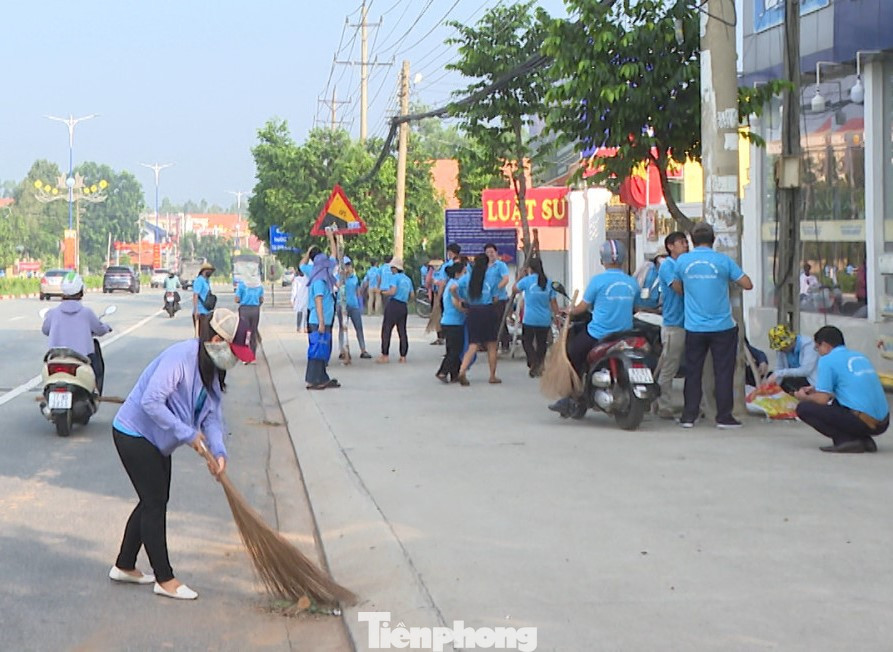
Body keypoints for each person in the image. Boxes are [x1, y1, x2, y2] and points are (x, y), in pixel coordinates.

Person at [109, 308, 252, 600]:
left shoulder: (213, 368)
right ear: (216, 339)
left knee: (153, 500)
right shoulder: (180, 358)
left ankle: (124, 565)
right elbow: (151, 401)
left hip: (159, 442)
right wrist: (187, 433)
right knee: (155, 502)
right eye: (234, 352)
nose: (235, 360)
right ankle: (165, 578)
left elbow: (212, 416)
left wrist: (219, 451)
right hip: (134, 433)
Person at [671, 223, 753, 429]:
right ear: (713, 239)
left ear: (691, 240)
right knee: (723, 372)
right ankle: (724, 417)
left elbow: (678, 287)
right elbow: (747, 284)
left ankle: (689, 416)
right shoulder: (723, 261)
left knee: (693, 371)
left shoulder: (682, 261)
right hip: (723, 326)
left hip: (694, 327)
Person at [549, 240, 639, 416]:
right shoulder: (632, 283)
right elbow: (636, 306)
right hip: (625, 334)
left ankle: (570, 397)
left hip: (599, 334)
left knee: (572, 354)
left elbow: (582, 308)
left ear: (602, 260)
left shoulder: (597, 281)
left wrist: (569, 311)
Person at [794, 326, 889, 453]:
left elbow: (822, 399)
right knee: (836, 403)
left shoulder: (827, 360)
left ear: (826, 345)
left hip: (863, 421)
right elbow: (851, 387)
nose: (818, 352)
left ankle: (846, 440)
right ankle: (864, 439)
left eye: (818, 348)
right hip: (882, 422)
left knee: (804, 408)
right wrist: (817, 389)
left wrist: (804, 397)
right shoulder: (860, 357)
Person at [41, 272, 112, 393]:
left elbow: (45, 330)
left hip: (57, 357)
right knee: (97, 366)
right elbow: (99, 330)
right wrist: (107, 327)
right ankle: (95, 391)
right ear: (81, 291)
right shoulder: (86, 313)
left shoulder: (54, 313)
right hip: (82, 358)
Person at [654, 232, 689, 418]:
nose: (685, 245)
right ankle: (663, 405)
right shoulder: (667, 266)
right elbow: (678, 288)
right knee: (669, 366)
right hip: (673, 323)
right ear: (670, 246)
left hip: (689, 323)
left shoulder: (685, 264)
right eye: (681, 242)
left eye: (686, 242)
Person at [455, 254, 500, 386]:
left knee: (473, 344)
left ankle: (462, 370)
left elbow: (452, 288)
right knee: (492, 345)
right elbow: (496, 299)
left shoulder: (467, 278)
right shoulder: (490, 280)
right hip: (487, 311)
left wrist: (459, 299)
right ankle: (492, 376)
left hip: (473, 312)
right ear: (486, 265)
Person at [513, 257, 558, 378]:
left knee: (526, 341)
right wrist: (557, 316)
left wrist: (519, 277)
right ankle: (538, 365)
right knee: (542, 343)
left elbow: (514, 289)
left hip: (530, 318)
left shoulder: (527, 281)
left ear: (530, 268)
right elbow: (553, 302)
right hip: (544, 319)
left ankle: (533, 362)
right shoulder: (548, 282)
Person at [305, 252, 339, 390]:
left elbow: (333, 256)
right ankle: (313, 380)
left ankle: (322, 377)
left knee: (323, 350)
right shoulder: (319, 281)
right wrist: (321, 322)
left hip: (326, 320)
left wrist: (331, 237)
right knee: (317, 351)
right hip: (319, 321)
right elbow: (318, 301)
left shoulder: (326, 279)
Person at [435, 260, 467, 383]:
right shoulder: (455, 285)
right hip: (454, 322)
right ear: (458, 273)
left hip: (447, 321)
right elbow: (456, 303)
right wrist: (465, 311)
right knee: (456, 350)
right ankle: (442, 371)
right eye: (464, 272)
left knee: (452, 349)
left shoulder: (450, 283)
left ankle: (455, 374)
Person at [764, 324, 819, 393]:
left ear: (790, 342)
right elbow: (779, 368)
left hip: (810, 381)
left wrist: (778, 373)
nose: (781, 350)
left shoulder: (808, 345)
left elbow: (805, 371)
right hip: (793, 379)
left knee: (790, 381)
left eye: (782, 347)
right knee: (771, 375)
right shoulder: (781, 351)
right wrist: (773, 384)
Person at [378, 258, 413, 363]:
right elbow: (412, 295)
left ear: (395, 268)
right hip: (403, 306)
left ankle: (385, 355)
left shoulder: (395, 277)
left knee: (386, 329)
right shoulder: (408, 279)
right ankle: (403, 356)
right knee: (402, 331)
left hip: (394, 304)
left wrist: (383, 292)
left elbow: (393, 291)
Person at [337, 257, 371, 359]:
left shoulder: (355, 278)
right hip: (341, 305)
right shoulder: (338, 277)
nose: (347, 268)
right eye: (345, 266)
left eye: (348, 265)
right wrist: (343, 276)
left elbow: (358, 292)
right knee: (342, 328)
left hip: (353, 305)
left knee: (359, 327)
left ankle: (363, 349)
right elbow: (337, 286)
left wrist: (361, 303)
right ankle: (342, 350)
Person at [431, 243, 462, 345]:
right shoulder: (465, 264)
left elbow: (443, 283)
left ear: (451, 253)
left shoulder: (447, 266)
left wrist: (438, 298)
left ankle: (444, 339)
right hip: (462, 294)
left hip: (449, 294)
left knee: (446, 317)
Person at [484, 243, 511, 352]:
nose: (490, 254)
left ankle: (505, 344)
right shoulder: (484, 266)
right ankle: (492, 344)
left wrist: (496, 291)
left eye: (492, 252)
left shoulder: (500, 265)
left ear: (496, 253)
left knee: (500, 321)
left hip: (499, 298)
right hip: (487, 298)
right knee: (490, 322)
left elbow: (505, 279)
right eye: (488, 252)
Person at [233, 273, 264, 359]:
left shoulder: (242, 285)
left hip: (244, 310)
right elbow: (261, 299)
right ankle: (252, 355)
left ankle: (245, 355)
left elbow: (237, 299)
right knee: (253, 332)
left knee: (245, 332)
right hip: (255, 310)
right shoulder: (259, 286)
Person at [192, 262, 216, 335]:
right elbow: (195, 295)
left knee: (207, 335)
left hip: (207, 312)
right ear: (203, 271)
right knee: (202, 335)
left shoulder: (206, 281)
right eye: (208, 270)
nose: (210, 272)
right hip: (200, 312)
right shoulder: (199, 280)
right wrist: (196, 310)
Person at [290, 266, 309, 332]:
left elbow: (294, 290)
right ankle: (305, 327)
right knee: (306, 313)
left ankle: (299, 327)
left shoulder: (297, 279)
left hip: (300, 298)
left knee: (300, 312)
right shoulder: (307, 278)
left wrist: (292, 299)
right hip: (305, 297)